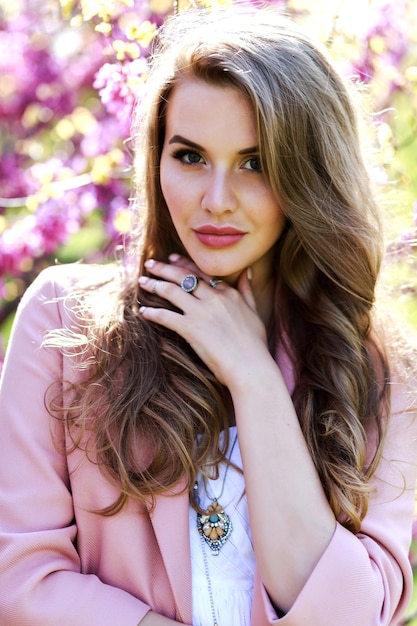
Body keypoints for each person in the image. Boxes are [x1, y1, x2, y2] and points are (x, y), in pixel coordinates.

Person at [0, 6, 416, 626]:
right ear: (155, 158)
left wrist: (254, 379)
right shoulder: (65, 325)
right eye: (190, 156)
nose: (214, 201)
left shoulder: (381, 370)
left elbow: (348, 615)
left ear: (310, 175)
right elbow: (21, 580)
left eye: (255, 163)